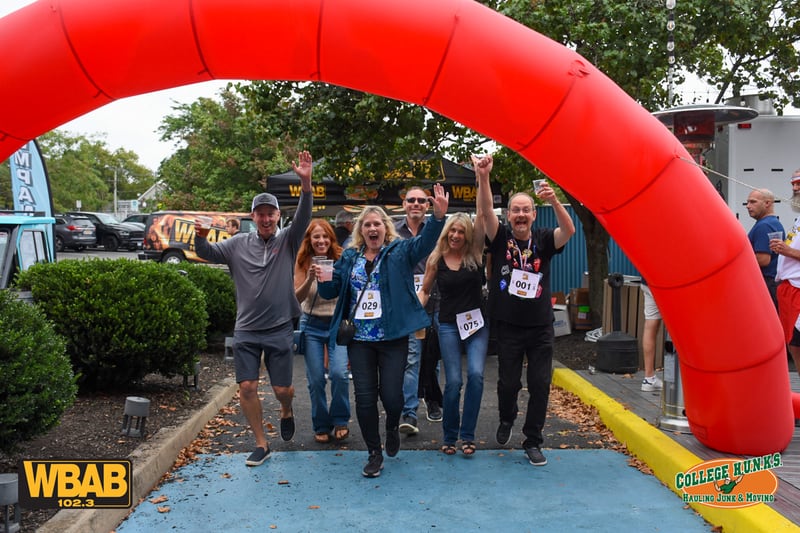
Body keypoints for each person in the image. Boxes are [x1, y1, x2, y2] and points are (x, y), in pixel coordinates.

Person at [318, 184, 449, 478]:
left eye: (377, 223)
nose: (372, 228)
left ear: (385, 228)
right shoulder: (349, 258)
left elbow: (425, 244)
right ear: (360, 230)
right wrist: (323, 278)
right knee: (364, 398)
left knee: (392, 397)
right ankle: (373, 452)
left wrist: (438, 218)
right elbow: (330, 291)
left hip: (392, 338)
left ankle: (392, 424)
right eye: (367, 224)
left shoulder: (399, 251)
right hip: (360, 340)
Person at [194, 150, 314, 467]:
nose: (265, 218)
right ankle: (261, 443)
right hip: (246, 329)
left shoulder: (287, 240)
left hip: (278, 328)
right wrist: (200, 236)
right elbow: (207, 251)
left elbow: (303, 216)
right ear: (252, 217)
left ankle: (286, 410)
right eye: (259, 214)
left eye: (270, 213)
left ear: (277, 217)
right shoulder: (236, 244)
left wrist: (306, 184)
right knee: (246, 386)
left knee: (282, 388)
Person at [475, 154, 575, 467]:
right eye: (516, 210)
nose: (520, 215)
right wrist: (484, 177)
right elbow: (484, 211)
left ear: (533, 215)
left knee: (540, 384)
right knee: (508, 383)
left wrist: (555, 201)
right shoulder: (501, 236)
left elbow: (569, 231)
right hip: (507, 324)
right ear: (509, 215)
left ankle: (533, 440)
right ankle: (507, 418)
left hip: (540, 326)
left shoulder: (544, 239)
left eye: (526, 210)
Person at [418, 212, 487, 456]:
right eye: (452, 231)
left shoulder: (476, 254)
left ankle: (467, 435)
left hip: (476, 325)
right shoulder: (437, 258)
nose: (456, 235)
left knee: (477, 376)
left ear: (468, 235)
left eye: (461, 231)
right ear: (446, 232)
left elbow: (483, 214)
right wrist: (415, 315)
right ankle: (449, 436)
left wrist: (483, 177)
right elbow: (425, 291)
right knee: (454, 381)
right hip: (448, 324)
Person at [294, 219, 350, 444]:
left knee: (339, 374)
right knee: (316, 378)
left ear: (331, 238)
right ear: (309, 240)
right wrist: (309, 278)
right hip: (312, 324)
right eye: (316, 237)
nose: (321, 240)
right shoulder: (302, 260)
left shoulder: (342, 257)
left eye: (325, 236)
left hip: (336, 323)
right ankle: (321, 424)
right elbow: (296, 298)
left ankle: (340, 420)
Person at [394, 186, 443, 435]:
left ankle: (431, 398)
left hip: (435, 302)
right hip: (407, 307)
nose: (415, 204)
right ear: (404, 204)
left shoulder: (437, 230)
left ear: (427, 205)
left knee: (432, 358)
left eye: (421, 201)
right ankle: (409, 412)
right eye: (411, 200)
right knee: (412, 358)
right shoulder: (392, 231)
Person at [772, 169, 800, 380]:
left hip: (797, 291)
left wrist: (787, 251)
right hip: (788, 289)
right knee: (792, 344)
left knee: (797, 344)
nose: (794, 188)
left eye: (799, 184)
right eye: (793, 184)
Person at [746, 188, 783, 310]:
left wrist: (738, 264)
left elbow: (763, 259)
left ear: (767, 203)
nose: (748, 206)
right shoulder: (773, 223)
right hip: (773, 283)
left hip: (766, 283)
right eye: (748, 202)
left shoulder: (764, 226)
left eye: (753, 202)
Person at [639, 279, 664, 392]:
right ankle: (681, 379)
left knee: (650, 326)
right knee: (678, 326)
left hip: (647, 282)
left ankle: (649, 378)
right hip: (666, 285)